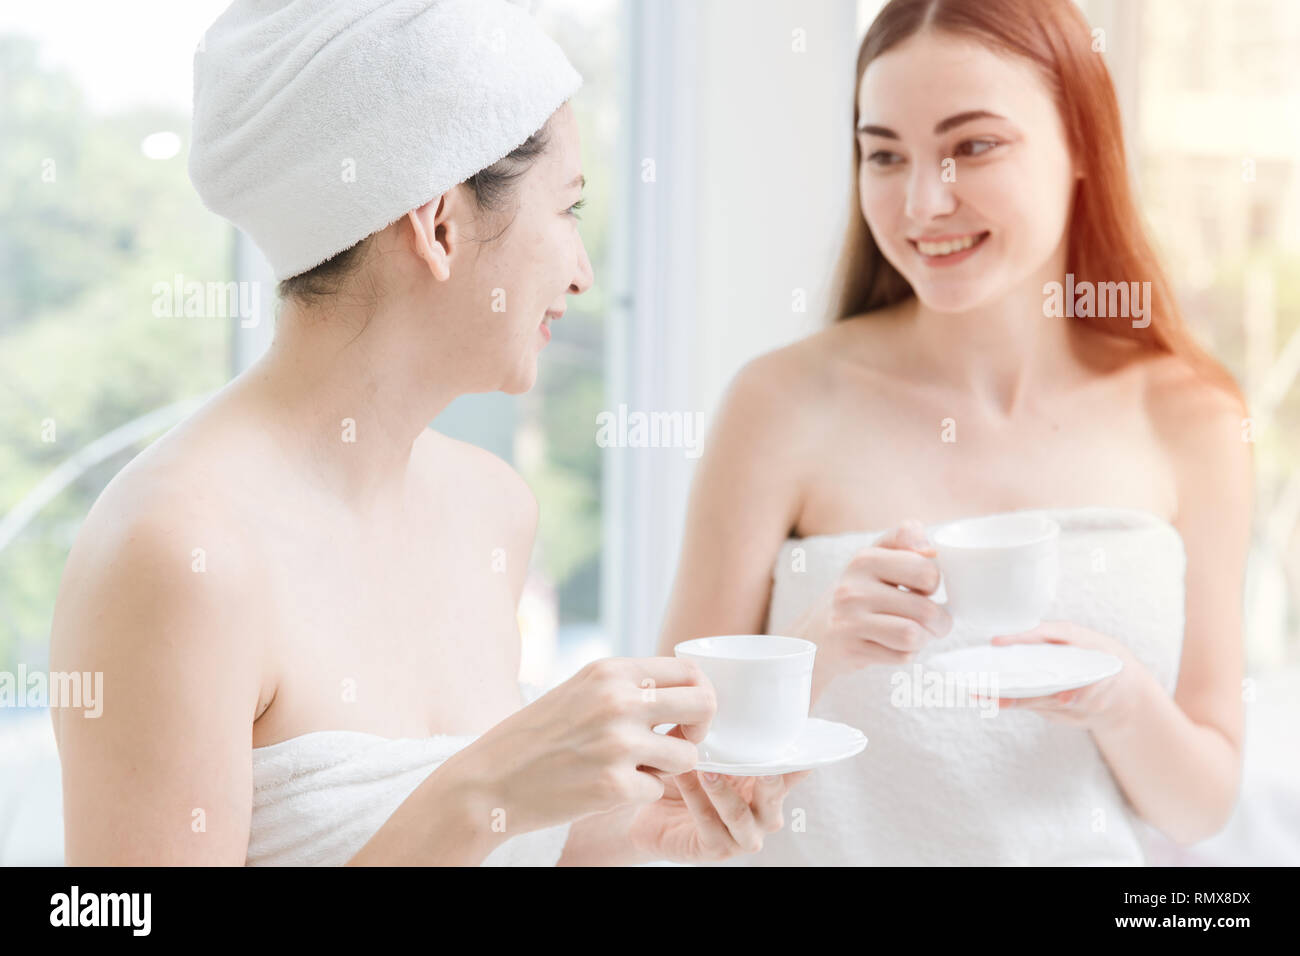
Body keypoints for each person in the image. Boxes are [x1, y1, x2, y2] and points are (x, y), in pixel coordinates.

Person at [49, 0, 806, 867]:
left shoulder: (492, 509)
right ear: (440, 224)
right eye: (567, 211)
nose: (583, 272)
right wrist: (481, 793)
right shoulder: (178, 557)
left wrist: (636, 831)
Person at [658, 0, 1252, 865]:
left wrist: (1120, 698)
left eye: (973, 146)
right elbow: (671, 776)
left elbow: (1203, 806)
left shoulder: (1193, 416)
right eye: (885, 154)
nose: (923, 202)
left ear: (1083, 143)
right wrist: (819, 648)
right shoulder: (779, 404)